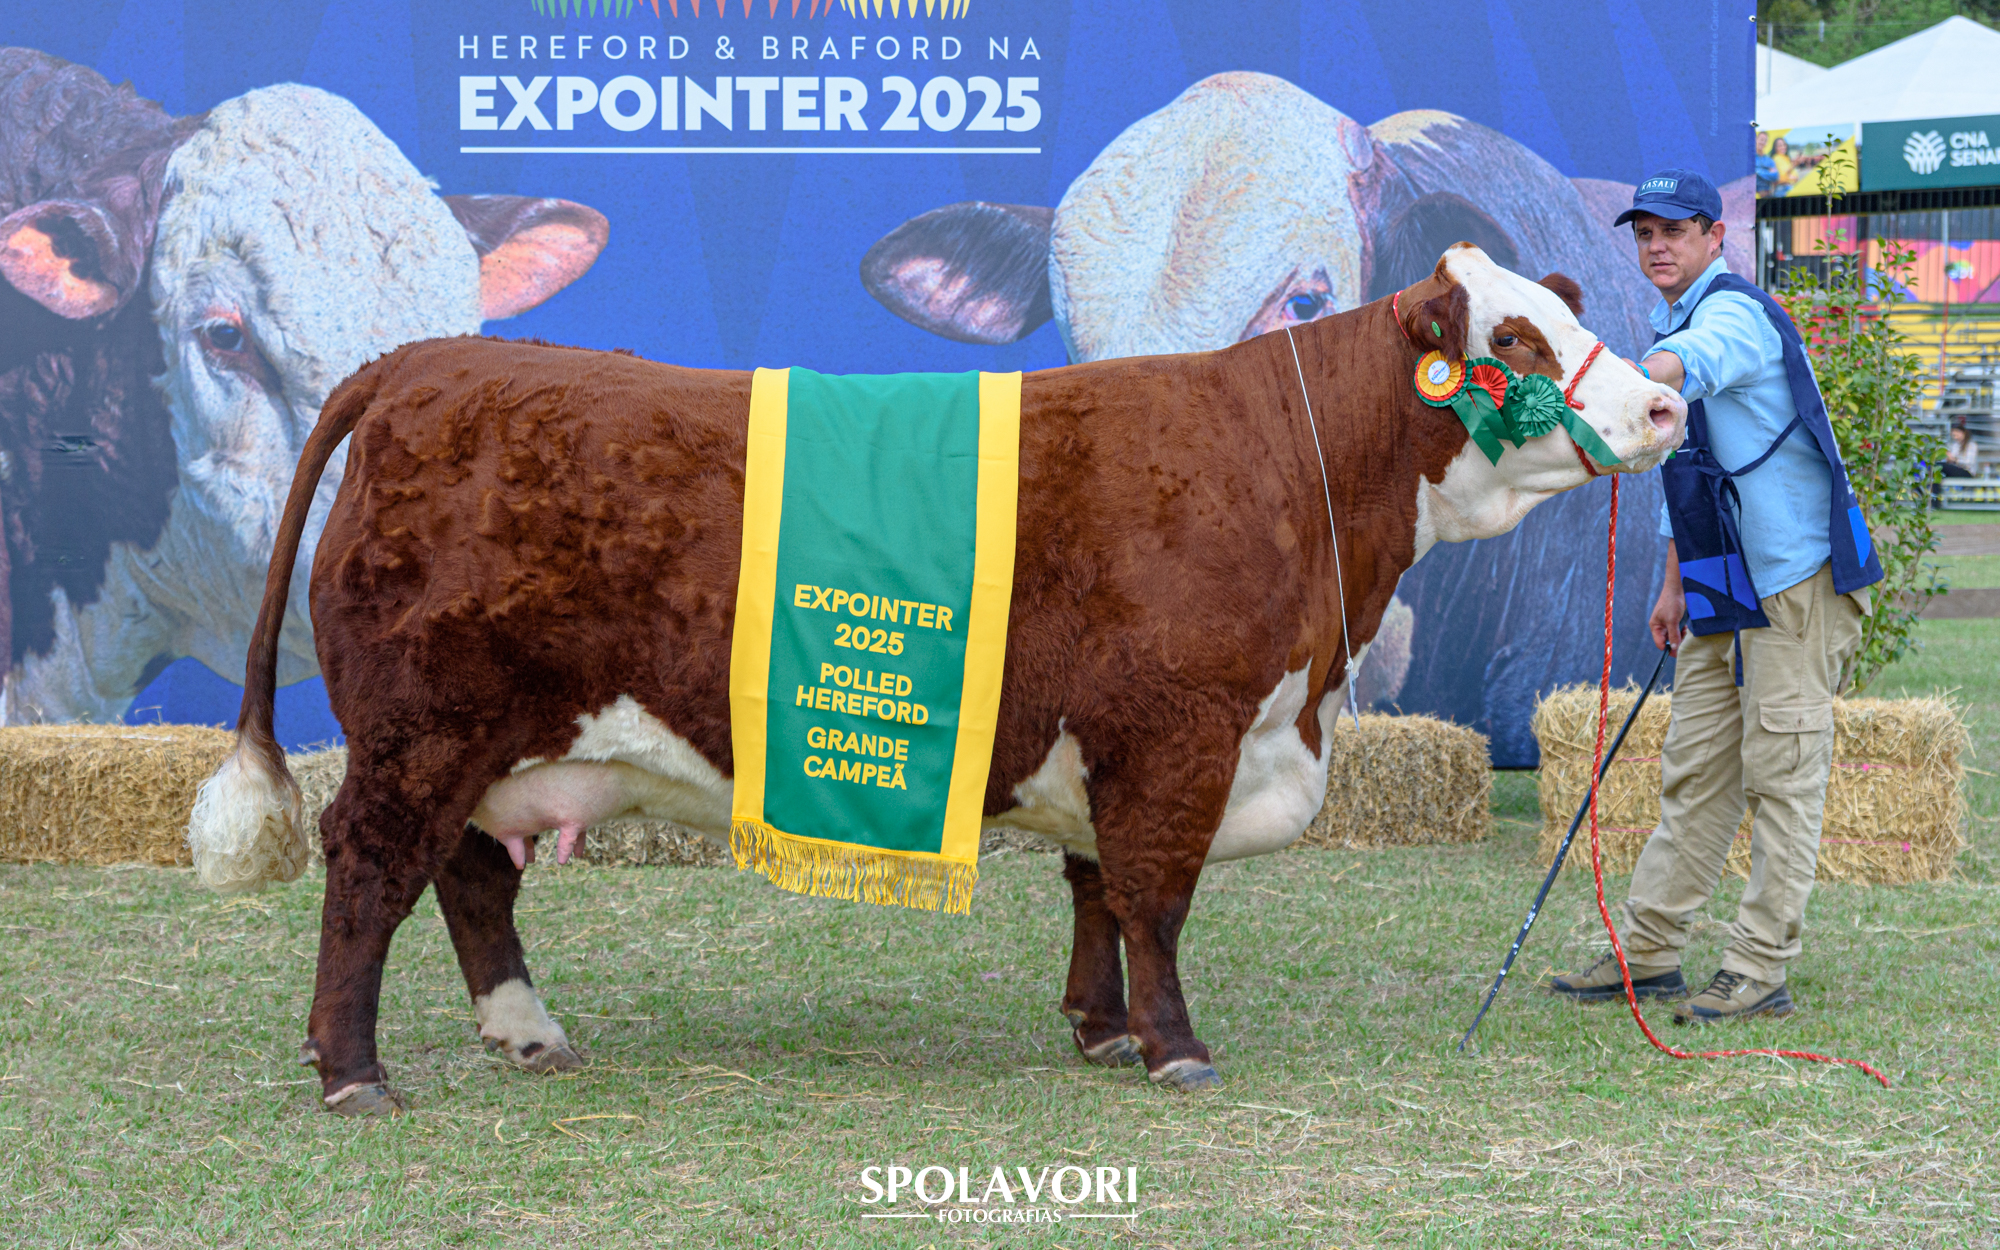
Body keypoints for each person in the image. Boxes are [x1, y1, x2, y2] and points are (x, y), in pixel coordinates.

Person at [1546, 169, 1882, 1024]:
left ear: (1714, 237)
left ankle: (1759, 969)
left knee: (1782, 779)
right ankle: (1649, 954)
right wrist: (1672, 584)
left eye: (1674, 231)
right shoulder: (1674, 320)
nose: (1657, 246)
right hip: (1717, 584)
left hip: (1795, 581)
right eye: (1644, 233)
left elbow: (1685, 370)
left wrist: (1629, 383)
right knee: (1695, 772)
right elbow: (1684, 472)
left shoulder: (1732, 315)